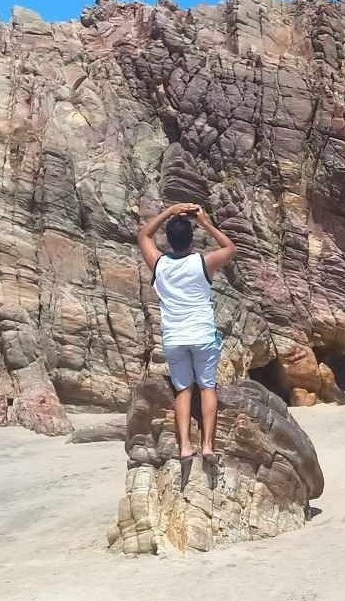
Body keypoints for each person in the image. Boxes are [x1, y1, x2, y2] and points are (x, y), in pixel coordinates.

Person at [137, 202, 237, 489]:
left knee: (183, 389)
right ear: (191, 239)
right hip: (202, 335)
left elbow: (144, 236)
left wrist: (169, 211)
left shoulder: (160, 265)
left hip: (175, 337)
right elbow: (230, 248)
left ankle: (184, 447)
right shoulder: (201, 263)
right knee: (207, 387)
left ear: (168, 239)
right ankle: (207, 445)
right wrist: (204, 222)